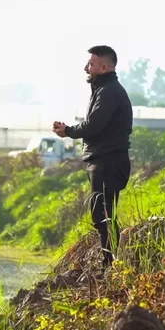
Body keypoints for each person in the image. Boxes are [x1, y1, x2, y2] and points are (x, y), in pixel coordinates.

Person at [53, 45, 133, 265]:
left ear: (104, 67)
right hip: (103, 160)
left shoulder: (109, 92)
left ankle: (111, 264)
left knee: (103, 215)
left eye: (91, 64)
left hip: (108, 161)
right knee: (102, 215)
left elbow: (94, 125)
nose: (86, 68)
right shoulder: (103, 90)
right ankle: (111, 262)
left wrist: (68, 131)